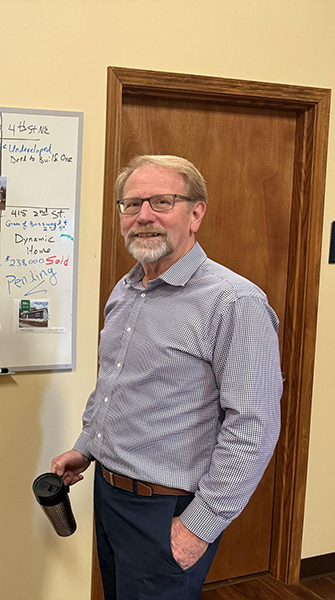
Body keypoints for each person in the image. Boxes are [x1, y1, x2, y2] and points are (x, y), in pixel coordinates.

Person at [52, 155, 282, 599]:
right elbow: (119, 385)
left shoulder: (234, 302)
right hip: (110, 494)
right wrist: (87, 447)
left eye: (162, 202)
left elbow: (253, 426)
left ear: (196, 213)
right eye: (132, 204)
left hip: (168, 509)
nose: (144, 217)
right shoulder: (127, 288)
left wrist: (200, 527)